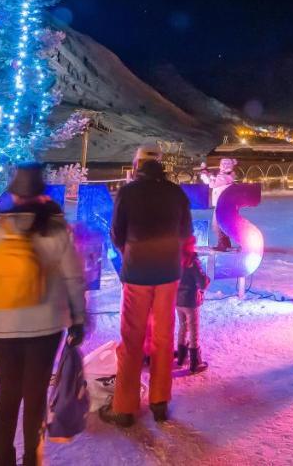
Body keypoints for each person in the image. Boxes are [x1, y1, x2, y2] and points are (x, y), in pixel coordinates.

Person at [0, 163, 86, 465]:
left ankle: (2, 460)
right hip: (44, 327)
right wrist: (78, 318)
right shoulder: (56, 230)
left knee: (8, 395)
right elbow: (74, 278)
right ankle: (32, 459)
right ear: (41, 194)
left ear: (13, 195)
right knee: (34, 397)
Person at [101, 145, 192, 427]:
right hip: (168, 273)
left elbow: (117, 232)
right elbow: (186, 232)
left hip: (138, 272)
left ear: (137, 164)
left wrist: (130, 250)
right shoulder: (176, 192)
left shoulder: (128, 192)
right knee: (163, 337)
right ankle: (160, 401)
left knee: (132, 339)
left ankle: (125, 407)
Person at [175, 236, 209, 372]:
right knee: (193, 329)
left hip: (177, 300)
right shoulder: (193, 262)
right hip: (190, 301)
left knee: (182, 326)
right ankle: (195, 362)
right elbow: (202, 283)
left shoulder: (174, 260)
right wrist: (206, 280)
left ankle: (181, 356)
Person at [209, 158, 236, 251]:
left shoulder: (228, 175)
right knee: (217, 225)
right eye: (223, 163)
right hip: (220, 203)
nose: (224, 165)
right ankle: (225, 243)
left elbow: (213, 184)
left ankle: (223, 244)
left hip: (223, 203)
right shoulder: (223, 175)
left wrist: (211, 177)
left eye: (227, 163)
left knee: (217, 225)